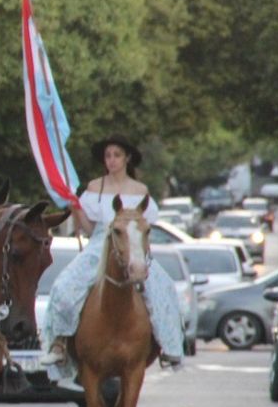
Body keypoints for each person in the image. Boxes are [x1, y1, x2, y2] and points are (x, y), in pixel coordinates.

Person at [39, 134, 184, 370]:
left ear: (127, 158)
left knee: (164, 288)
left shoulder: (140, 190)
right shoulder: (95, 187)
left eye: (116, 155)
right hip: (99, 247)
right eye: (108, 156)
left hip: (133, 248)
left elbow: (144, 228)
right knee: (64, 285)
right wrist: (75, 208)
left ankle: (168, 345)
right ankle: (59, 343)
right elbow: (88, 228)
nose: (112, 160)